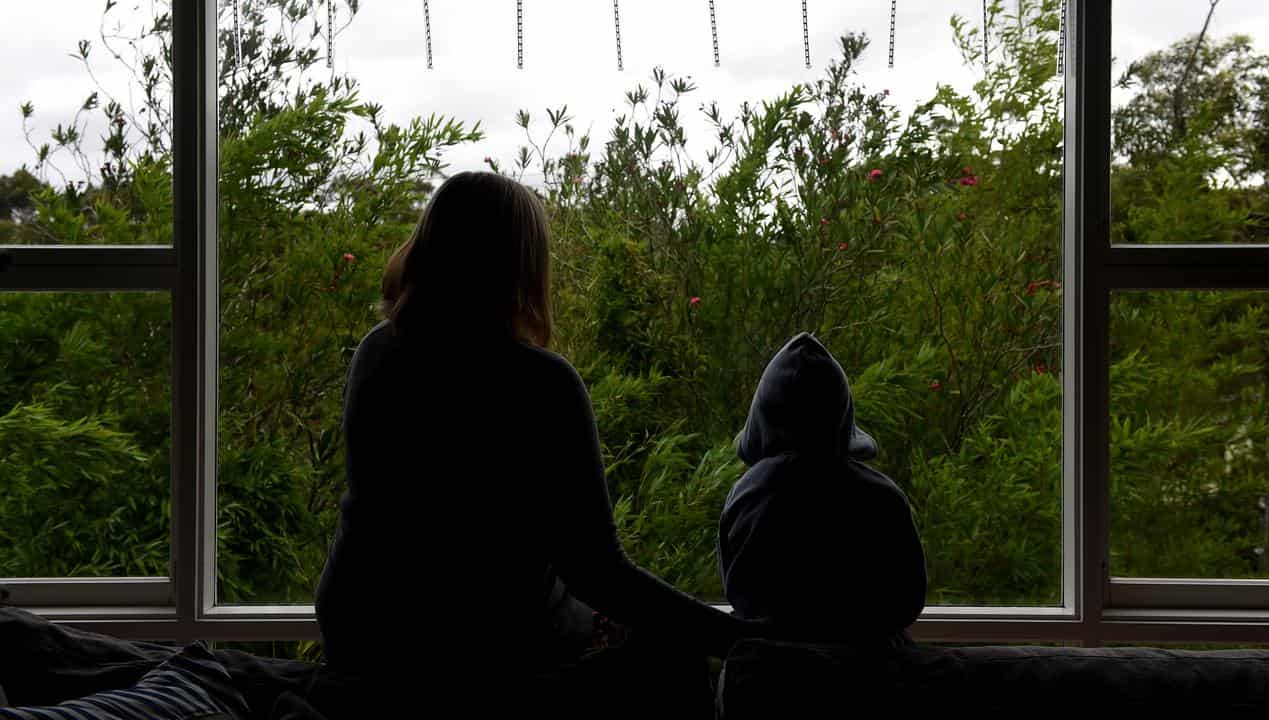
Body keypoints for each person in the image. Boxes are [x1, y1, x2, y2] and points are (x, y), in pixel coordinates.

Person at [314, 171, 752, 712]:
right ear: (518, 266)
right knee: (668, 658)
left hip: (364, 639)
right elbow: (597, 569)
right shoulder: (542, 384)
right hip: (490, 656)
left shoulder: (377, 354)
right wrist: (735, 638)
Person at [718, 332, 927, 648]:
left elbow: (738, 589)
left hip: (768, 673)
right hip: (873, 673)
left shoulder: (745, 498)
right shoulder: (883, 499)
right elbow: (908, 601)